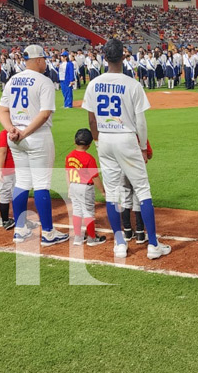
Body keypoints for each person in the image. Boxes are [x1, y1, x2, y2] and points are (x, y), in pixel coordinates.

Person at [82, 39, 171, 260]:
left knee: (113, 194)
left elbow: (91, 120)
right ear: (124, 56)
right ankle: (152, 245)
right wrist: (142, 146)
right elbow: (141, 122)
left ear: (104, 57)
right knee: (143, 190)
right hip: (126, 137)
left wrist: (98, 142)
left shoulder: (94, 84)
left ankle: (120, 244)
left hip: (105, 138)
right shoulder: (132, 84)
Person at [0, 45, 68, 246]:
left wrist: (12, 130)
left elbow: (2, 110)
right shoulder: (44, 81)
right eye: (43, 59)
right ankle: (48, 232)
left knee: (22, 182)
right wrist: (25, 132)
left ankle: (19, 229)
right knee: (41, 184)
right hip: (36, 136)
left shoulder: (12, 80)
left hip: (15, 136)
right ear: (37, 60)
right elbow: (44, 114)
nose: (45, 62)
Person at [66, 128, 106, 247]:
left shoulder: (69, 156)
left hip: (73, 185)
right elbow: (95, 177)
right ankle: (92, 238)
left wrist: (69, 188)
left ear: (75, 141)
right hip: (85, 188)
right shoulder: (89, 158)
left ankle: (78, 237)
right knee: (88, 212)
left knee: (77, 211)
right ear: (89, 145)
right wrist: (103, 191)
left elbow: (67, 172)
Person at [121, 140, 153, 244]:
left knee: (125, 198)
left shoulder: (117, 134)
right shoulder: (139, 136)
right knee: (139, 198)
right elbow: (149, 154)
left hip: (121, 170)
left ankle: (127, 232)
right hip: (136, 169)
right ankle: (140, 233)